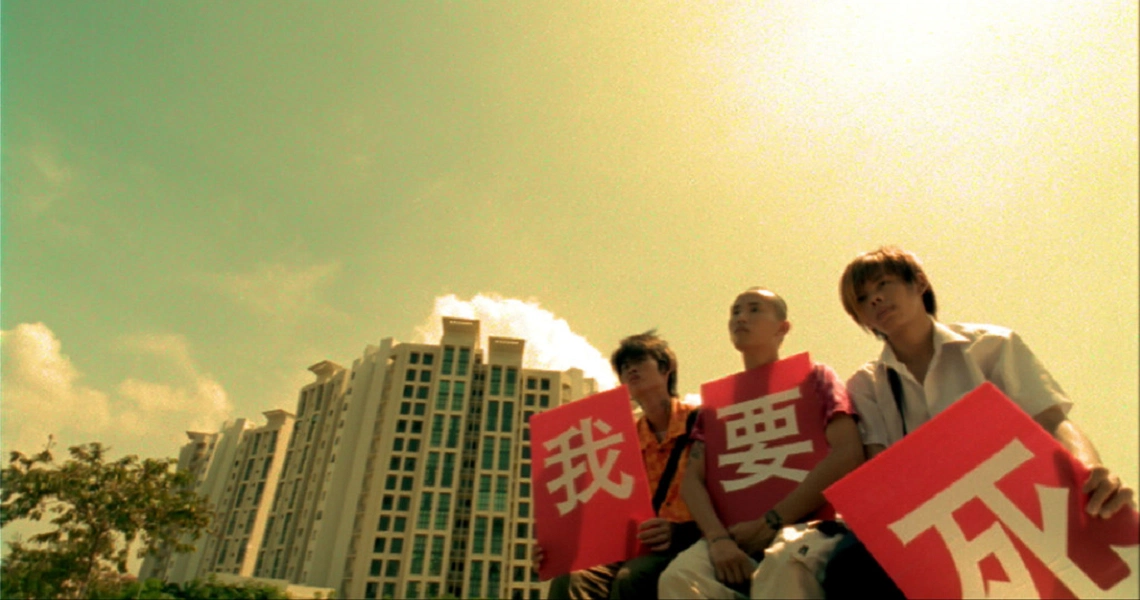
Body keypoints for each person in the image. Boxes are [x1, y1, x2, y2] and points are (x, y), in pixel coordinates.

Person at [838, 246, 1134, 517]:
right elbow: (879, 471)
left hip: (1023, 505)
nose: (875, 299)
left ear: (919, 283)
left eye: (882, 284)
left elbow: (1049, 419)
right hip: (937, 525)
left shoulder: (992, 346)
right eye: (862, 299)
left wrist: (1090, 468)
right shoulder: (866, 384)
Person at [657, 288, 864, 599]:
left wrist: (773, 521)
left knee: (784, 566)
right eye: (735, 311)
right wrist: (718, 540)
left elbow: (848, 453)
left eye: (754, 309)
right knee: (679, 577)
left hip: (808, 528)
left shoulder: (816, 377)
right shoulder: (714, 406)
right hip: (732, 535)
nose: (740, 317)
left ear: (783, 328)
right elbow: (692, 481)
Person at [533, 331, 701, 599]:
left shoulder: (702, 422)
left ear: (666, 367)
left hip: (691, 543)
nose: (630, 369)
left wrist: (681, 532)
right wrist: (555, 548)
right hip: (629, 547)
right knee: (570, 578)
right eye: (623, 366)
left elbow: (730, 497)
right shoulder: (618, 439)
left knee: (631, 578)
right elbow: (598, 507)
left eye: (638, 360)